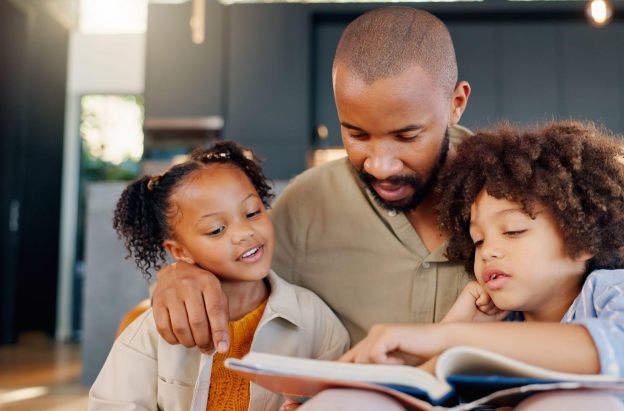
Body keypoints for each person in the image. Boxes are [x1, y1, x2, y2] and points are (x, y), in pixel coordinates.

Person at [339, 121, 624, 410]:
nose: (488, 251)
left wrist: (451, 339)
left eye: (513, 231)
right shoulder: (504, 325)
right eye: (477, 240)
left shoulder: (613, 291)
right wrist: (455, 329)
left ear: (582, 240)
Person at [150, 6, 473, 352]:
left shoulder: (513, 193)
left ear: (456, 103)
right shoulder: (308, 203)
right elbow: (234, 269)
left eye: (407, 137)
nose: (380, 166)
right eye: (357, 135)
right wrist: (179, 277)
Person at [89, 141, 349, 411]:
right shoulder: (151, 332)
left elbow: (346, 398)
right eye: (216, 230)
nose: (245, 233)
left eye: (252, 213)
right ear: (180, 251)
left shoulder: (316, 321)